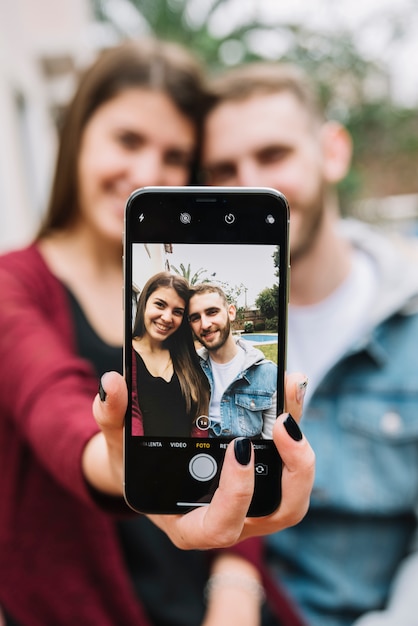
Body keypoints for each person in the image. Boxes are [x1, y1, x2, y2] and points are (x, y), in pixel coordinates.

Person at [0, 40, 315, 626]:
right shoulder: (14, 285)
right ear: (76, 138)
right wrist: (116, 459)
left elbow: (232, 434)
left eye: (174, 156)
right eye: (128, 140)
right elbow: (54, 407)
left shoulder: (185, 302)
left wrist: (236, 584)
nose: (146, 172)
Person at [201, 61, 418, 626]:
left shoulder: (408, 325)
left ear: (332, 153)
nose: (249, 186)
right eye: (225, 169)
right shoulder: (204, 326)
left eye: (273, 156)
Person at [188, 283, 278, 438]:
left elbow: (271, 445)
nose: (205, 324)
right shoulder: (189, 370)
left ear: (231, 312)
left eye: (212, 312)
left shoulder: (268, 375)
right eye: (196, 318)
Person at [131, 271, 209, 436]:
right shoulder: (123, 355)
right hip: (142, 459)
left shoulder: (186, 356)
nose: (167, 318)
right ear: (144, 303)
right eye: (160, 304)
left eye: (177, 312)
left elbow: (199, 416)